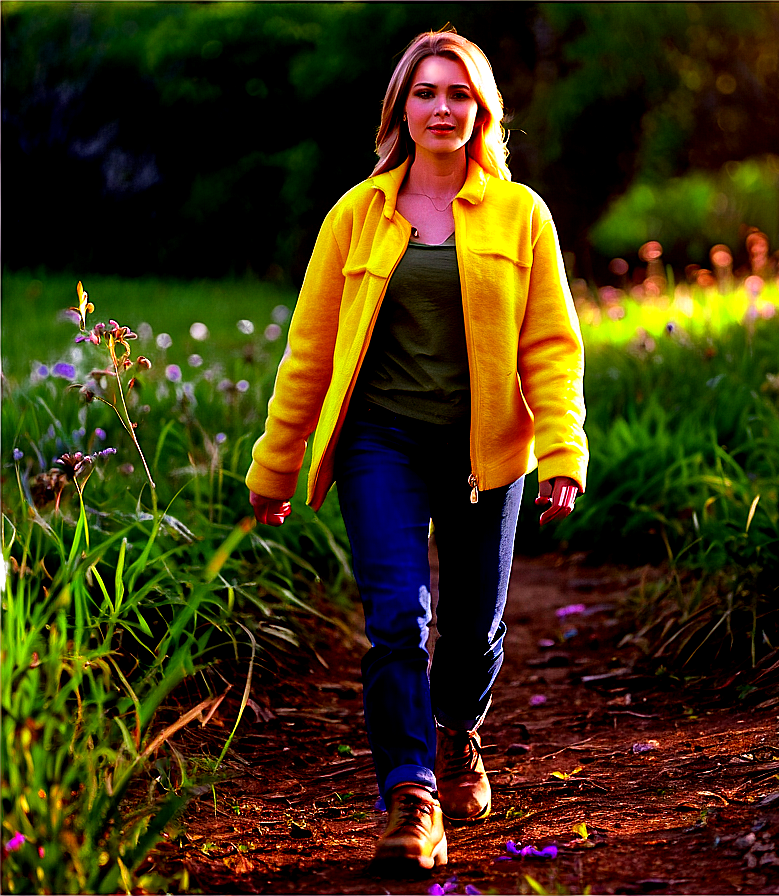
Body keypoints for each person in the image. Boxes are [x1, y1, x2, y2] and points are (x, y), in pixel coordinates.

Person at [246, 28, 588, 876]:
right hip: (380, 444)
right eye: (427, 92)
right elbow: (311, 352)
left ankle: (459, 730)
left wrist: (561, 451)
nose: (443, 108)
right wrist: (275, 466)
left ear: (482, 111)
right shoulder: (356, 216)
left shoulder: (520, 214)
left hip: (485, 451)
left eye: (459, 94)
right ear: (402, 106)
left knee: (473, 632)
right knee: (397, 617)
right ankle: (410, 795)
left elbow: (550, 345)